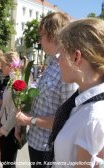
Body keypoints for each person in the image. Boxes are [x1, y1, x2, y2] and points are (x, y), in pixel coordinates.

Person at [48, 18, 104, 167]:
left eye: (60, 54)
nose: (58, 61)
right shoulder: (87, 102)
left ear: (76, 57)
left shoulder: (96, 118)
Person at [16, 12, 78, 167]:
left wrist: (30, 120)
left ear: (52, 35)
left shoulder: (67, 68)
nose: (39, 40)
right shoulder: (52, 64)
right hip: (36, 142)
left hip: (49, 149)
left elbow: (69, 120)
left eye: (41, 35)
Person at [0, 51, 21, 168]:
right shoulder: (11, 80)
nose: (1, 68)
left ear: (9, 65)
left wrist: (1, 131)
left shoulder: (18, 82)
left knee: (9, 163)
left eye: (2, 65)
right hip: (4, 125)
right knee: (5, 161)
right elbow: (5, 106)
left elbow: (15, 112)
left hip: (10, 129)